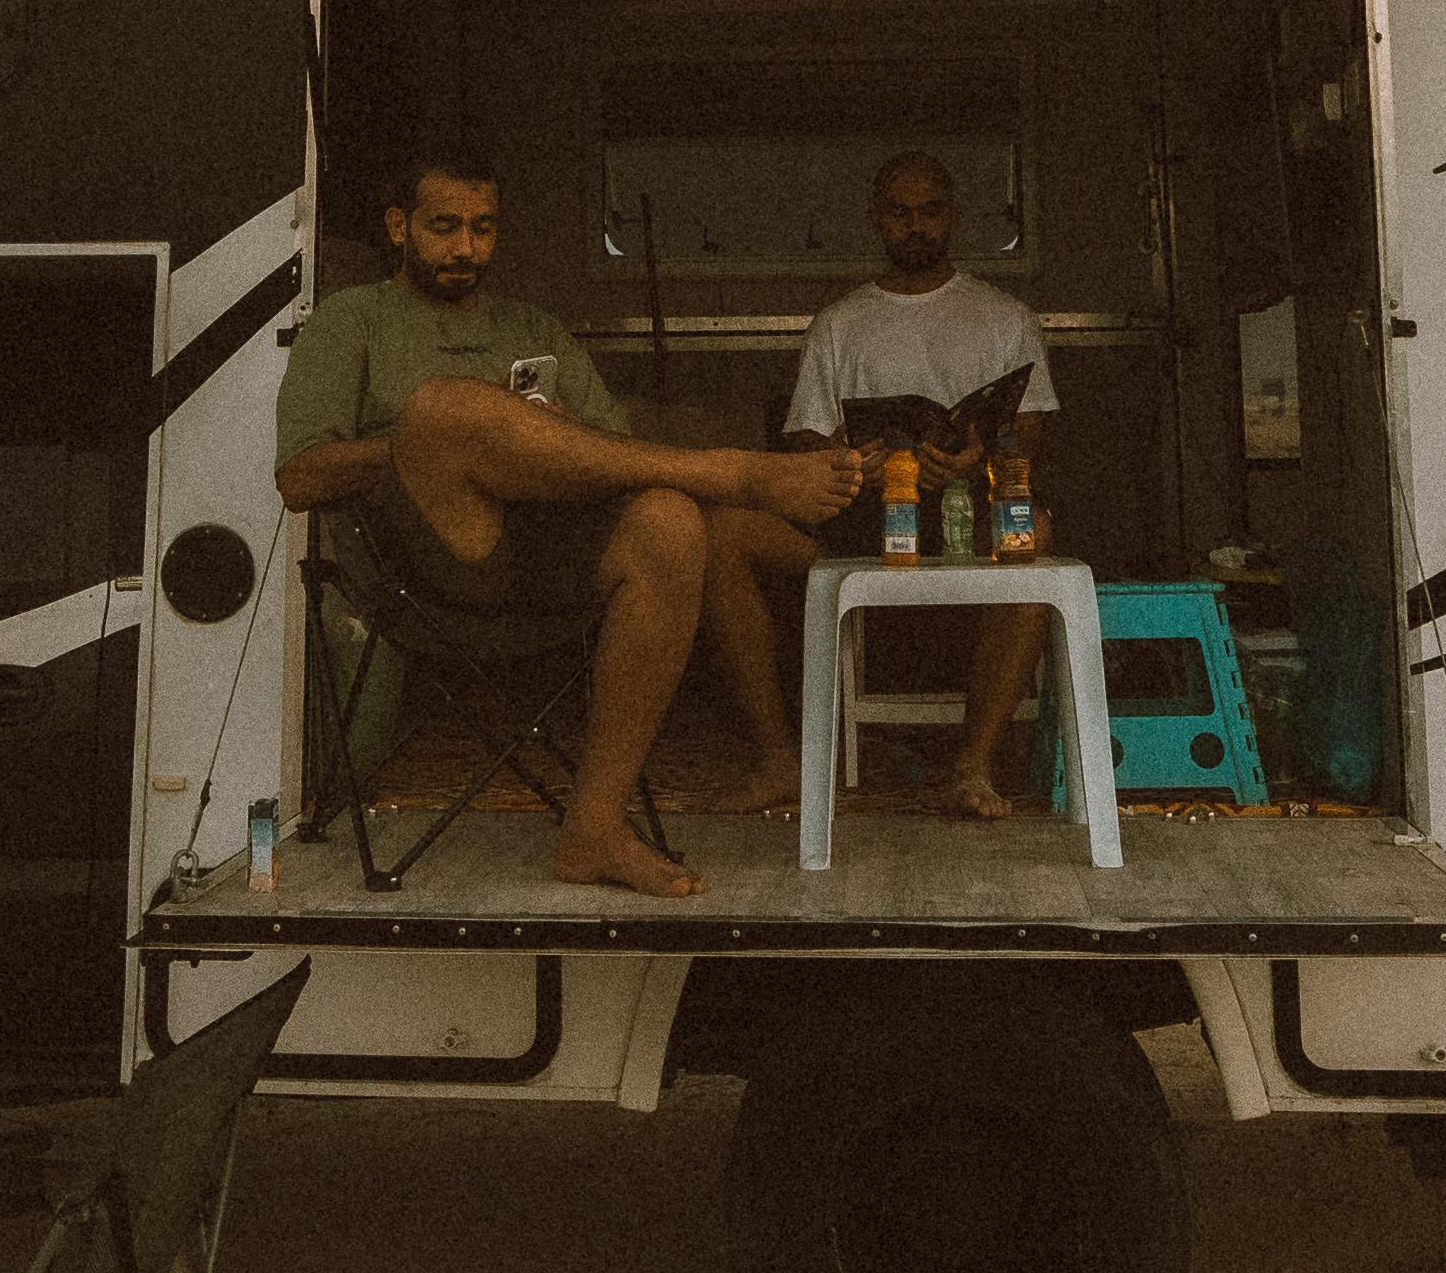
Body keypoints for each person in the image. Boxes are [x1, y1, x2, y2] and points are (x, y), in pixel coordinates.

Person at [272, 155, 863, 900]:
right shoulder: (350, 322)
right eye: (444, 227)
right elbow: (298, 478)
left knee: (670, 519)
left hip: (548, 556)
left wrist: (548, 433)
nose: (466, 248)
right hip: (425, 564)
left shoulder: (533, 327)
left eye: (482, 229)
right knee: (444, 410)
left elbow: (619, 456)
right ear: (399, 228)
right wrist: (445, 440)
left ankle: (595, 826)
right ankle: (730, 471)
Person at [698, 150, 1068, 818]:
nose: (916, 226)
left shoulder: (1004, 317)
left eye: (929, 212)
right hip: (859, 511)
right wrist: (854, 462)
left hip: (968, 507)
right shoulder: (841, 322)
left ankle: (973, 764)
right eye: (900, 213)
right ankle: (781, 758)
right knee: (723, 530)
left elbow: (1031, 430)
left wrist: (972, 454)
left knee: (1034, 533)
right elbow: (806, 436)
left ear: (952, 217)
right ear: (877, 221)